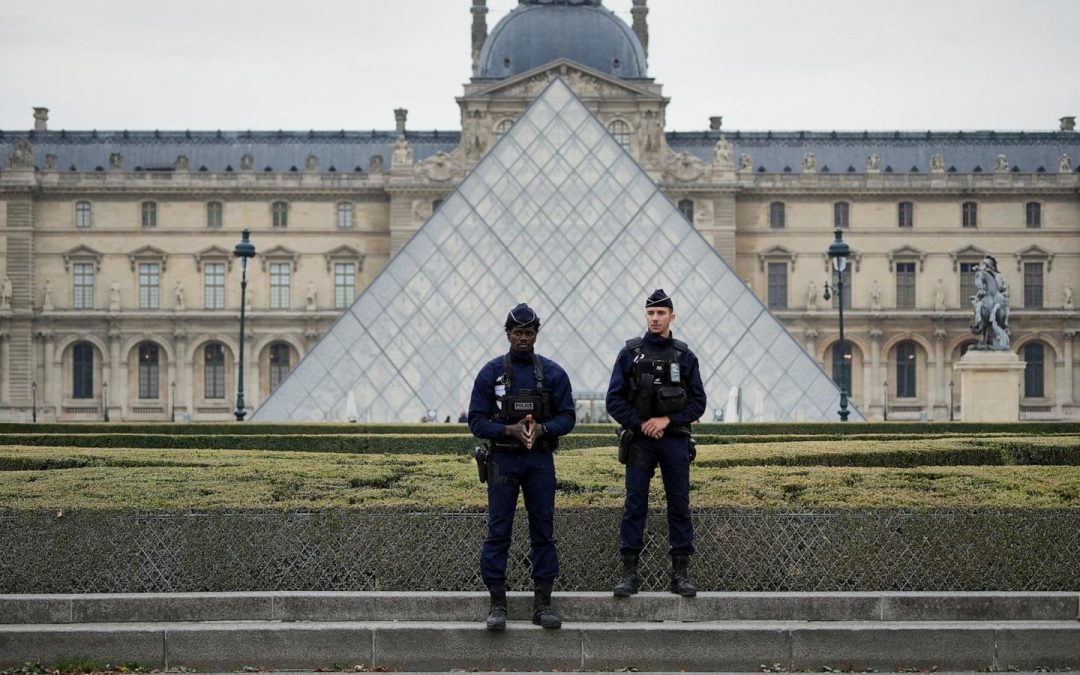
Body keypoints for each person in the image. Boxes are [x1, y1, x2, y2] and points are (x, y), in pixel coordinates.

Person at [468, 303, 576, 631]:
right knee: (498, 532)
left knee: (543, 532)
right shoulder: (490, 374)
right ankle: (497, 603)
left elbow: (568, 417)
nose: (523, 339)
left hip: (539, 460)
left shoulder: (554, 374)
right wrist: (508, 430)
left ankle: (542, 604)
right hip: (502, 459)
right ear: (508, 334)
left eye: (529, 333)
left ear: (536, 335)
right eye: (518, 333)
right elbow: (475, 421)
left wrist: (542, 429)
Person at [606, 289, 706, 598]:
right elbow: (614, 401)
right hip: (640, 442)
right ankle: (629, 574)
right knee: (635, 505)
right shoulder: (629, 354)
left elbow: (698, 403)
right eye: (650, 313)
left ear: (672, 317)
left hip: (674, 440)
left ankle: (681, 575)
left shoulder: (685, 356)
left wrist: (666, 421)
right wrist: (641, 424)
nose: (655, 318)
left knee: (679, 505)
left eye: (661, 313)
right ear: (645, 315)